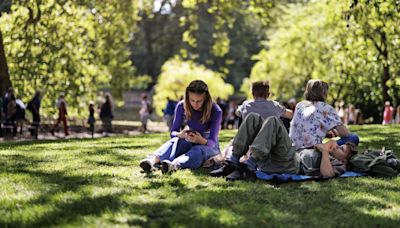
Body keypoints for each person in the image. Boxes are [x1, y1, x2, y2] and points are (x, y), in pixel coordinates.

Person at [211, 114, 358, 181]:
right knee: (253, 118)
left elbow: (327, 174)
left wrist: (325, 151)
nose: (336, 148)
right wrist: (322, 145)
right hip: (279, 157)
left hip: (291, 165)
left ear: (344, 160)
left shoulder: (339, 165)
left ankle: (248, 168)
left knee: (274, 121)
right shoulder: (327, 150)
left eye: (341, 149)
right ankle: (233, 162)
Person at [139, 80, 222, 174]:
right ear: (187, 97)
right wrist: (180, 135)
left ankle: (173, 165)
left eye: (199, 101)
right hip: (190, 138)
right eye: (192, 100)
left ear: (206, 98)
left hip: (207, 144)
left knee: (197, 150)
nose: (195, 104)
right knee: (176, 141)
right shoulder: (181, 106)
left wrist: (200, 140)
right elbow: (173, 132)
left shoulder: (216, 110)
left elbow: (212, 142)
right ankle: (152, 161)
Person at [289, 79, 359, 150]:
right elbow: (345, 134)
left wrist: (326, 134)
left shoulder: (300, 105)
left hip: (293, 148)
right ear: (323, 93)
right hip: (313, 149)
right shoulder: (325, 108)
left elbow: (306, 129)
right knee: (353, 138)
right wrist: (337, 133)